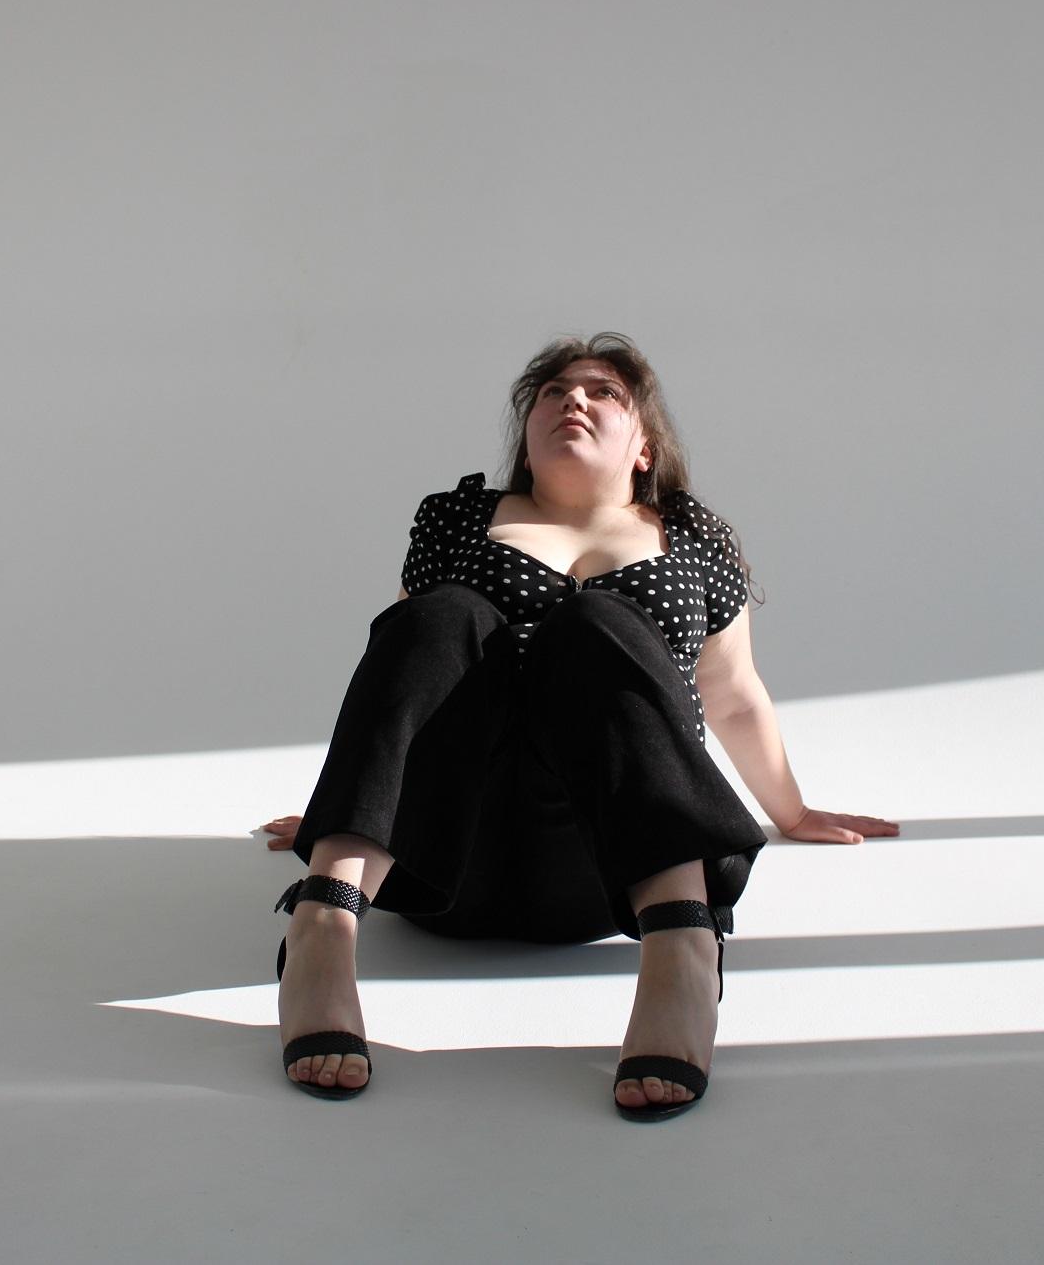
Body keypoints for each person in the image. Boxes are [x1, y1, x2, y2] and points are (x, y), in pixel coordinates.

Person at [258, 332, 896, 1120]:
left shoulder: (693, 537)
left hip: (609, 870)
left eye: (603, 393)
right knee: (438, 617)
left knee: (598, 624)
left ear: (644, 446)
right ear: (527, 436)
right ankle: (323, 922)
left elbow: (734, 695)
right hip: (447, 865)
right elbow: (399, 682)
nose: (573, 401)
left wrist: (791, 811)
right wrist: (347, 811)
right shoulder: (458, 518)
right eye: (553, 392)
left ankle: (683, 946)